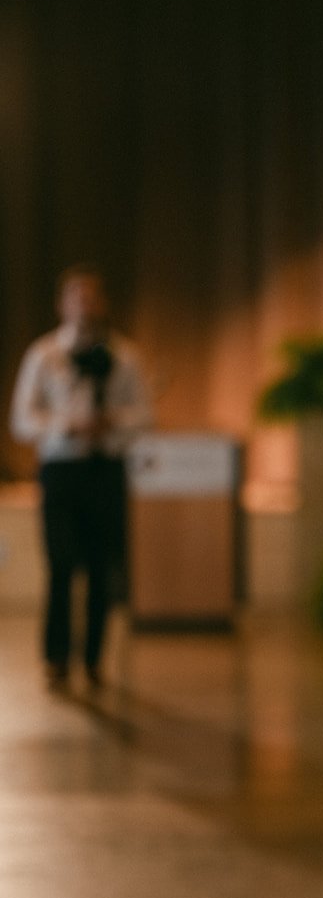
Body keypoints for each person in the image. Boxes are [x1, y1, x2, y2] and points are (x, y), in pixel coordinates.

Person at [8, 266, 152, 688]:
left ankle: (93, 659)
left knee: (101, 568)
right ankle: (55, 658)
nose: (85, 306)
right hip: (60, 471)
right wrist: (64, 425)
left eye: (92, 298)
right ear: (63, 305)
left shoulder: (125, 357)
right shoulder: (43, 355)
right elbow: (21, 419)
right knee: (60, 563)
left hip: (104, 469)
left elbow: (145, 415)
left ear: (102, 304)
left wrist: (112, 422)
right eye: (78, 298)